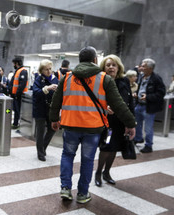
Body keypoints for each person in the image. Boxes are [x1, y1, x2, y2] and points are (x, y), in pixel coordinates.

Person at [49, 46, 136, 204]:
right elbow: (119, 105)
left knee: (67, 155)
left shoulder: (67, 77)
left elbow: (56, 100)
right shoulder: (104, 79)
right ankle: (82, 193)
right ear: (95, 60)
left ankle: (66, 189)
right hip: (92, 128)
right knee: (87, 160)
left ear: (80, 60)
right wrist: (130, 124)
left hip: (70, 126)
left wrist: (54, 118)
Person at [95, 54, 134, 187]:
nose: (111, 67)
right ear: (103, 67)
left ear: (118, 67)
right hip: (107, 123)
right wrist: (104, 107)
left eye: (114, 65)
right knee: (106, 147)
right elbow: (94, 101)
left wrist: (131, 121)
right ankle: (98, 173)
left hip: (121, 122)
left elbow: (130, 102)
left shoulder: (124, 81)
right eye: (108, 65)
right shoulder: (100, 81)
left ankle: (107, 172)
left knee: (115, 148)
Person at [133, 58, 166, 153]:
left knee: (148, 127)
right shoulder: (141, 76)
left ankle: (148, 145)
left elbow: (161, 93)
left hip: (149, 106)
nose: (141, 68)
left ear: (150, 68)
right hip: (139, 104)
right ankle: (138, 138)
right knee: (137, 124)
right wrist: (136, 93)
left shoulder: (156, 79)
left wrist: (148, 97)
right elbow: (140, 88)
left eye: (144, 66)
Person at [33, 59, 58, 161]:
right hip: (40, 109)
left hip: (51, 109)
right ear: (41, 70)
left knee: (52, 129)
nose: (48, 71)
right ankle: (40, 153)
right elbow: (36, 92)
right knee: (40, 131)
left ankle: (43, 148)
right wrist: (47, 88)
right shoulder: (38, 79)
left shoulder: (55, 79)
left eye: (50, 69)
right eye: (46, 69)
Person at [8, 57, 29, 129]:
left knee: (17, 110)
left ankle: (16, 123)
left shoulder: (23, 71)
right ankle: (15, 123)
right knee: (13, 109)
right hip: (14, 95)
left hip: (18, 96)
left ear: (16, 63)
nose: (13, 65)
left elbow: (22, 85)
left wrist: (17, 94)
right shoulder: (18, 71)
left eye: (14, 63)